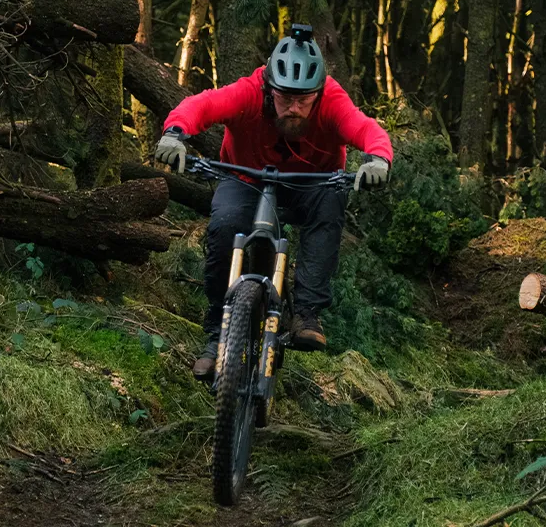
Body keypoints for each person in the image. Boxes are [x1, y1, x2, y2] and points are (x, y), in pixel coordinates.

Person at [155, 24, 393, 381]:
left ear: (318, 93)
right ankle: (217, 333)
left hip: (312, 184)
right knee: (223, 226)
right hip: (246, 179)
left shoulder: (332, 100)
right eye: (285, 98)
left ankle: (307, 313)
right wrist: (175, 134)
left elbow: (366, 129)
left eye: (303, 100)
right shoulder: (249, 93)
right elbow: (201, 105)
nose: (294, 109)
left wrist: (378, 159)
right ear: (269, 88)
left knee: (330, 205)